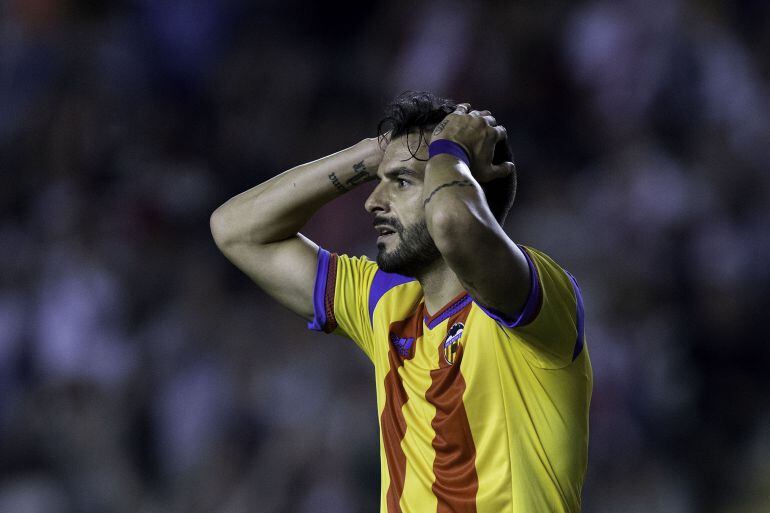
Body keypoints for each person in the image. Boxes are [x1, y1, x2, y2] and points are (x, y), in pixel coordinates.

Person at [210, 91, 592, 513]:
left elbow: (452, 223)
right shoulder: (384, 302)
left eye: (403, 182)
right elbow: (236, 230)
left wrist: (450, 149)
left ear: (465, 185)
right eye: (381, 181)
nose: (373, 201)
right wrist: (371, 154)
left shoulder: (532, 302)